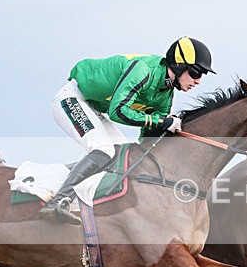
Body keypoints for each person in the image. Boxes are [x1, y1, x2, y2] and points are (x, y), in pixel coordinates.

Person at [39, 36, 215, 224]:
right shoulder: (143, 70)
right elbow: (117, 111)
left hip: (94, 108)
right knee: (104, 149)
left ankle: (64, 185)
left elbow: (147, 140)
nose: (198, 81)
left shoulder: (165, 96)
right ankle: (57, 202)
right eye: (196, 73)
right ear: (179, 65)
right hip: (73, 99)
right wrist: (161, 121)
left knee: (124, 153)